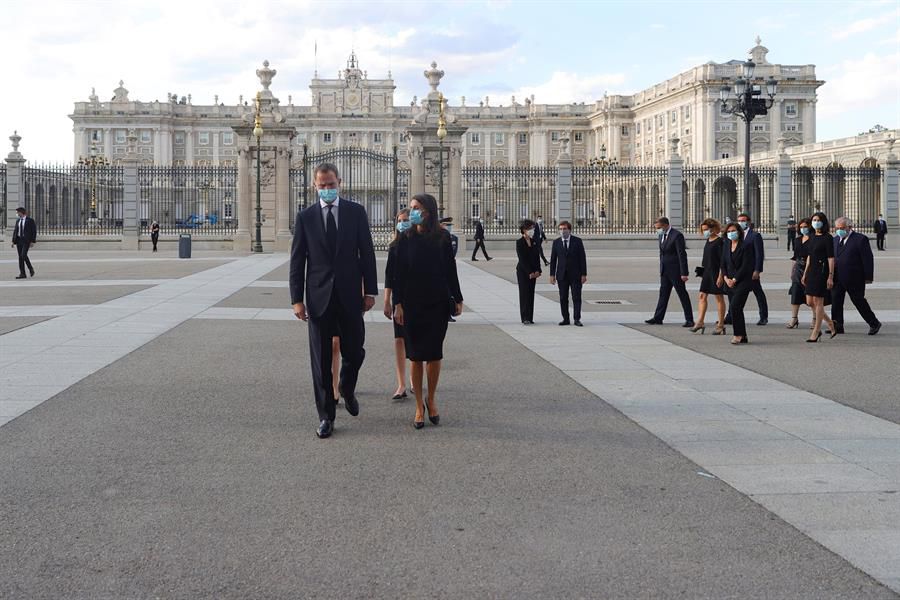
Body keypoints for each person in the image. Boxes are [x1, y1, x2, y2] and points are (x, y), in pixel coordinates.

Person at [290, 163, 378, 439]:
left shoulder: (356, 212)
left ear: (339, 182)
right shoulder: (305, 217)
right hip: (318, 298)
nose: (327, 189)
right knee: (321, 360)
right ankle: (326, 415)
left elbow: (367, 252)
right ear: (314, 186)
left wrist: (370, 291)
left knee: (355, 351)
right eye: (322, 185)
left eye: (331, 184)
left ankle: (347, 387)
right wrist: (296, 300)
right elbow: (297, 261)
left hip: (350, 296)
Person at [392, 194, 463, 429]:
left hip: (437, 302)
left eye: (416, 208)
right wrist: (397, 303)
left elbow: (450, 270)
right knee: (416, 356)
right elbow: (398, 274)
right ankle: (418, 406)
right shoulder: (405, 237)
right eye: (411, 208)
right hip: (412, 303)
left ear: (428, 212)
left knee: (433, 354)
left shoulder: (442, 237)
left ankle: (431, 398)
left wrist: (458, 298)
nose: (412, 212)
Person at [832, 217, 881, 336]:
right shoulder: (835, 239)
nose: (839, 230)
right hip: (837, 277)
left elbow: (867, 259)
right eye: (837, 228)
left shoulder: (860, 239)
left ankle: (874, 323)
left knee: (858, 301)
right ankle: (837, 325)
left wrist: (868, 277)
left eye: (842, 228)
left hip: (854, 277)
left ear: (849, 227)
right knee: (836, 301)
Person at [645, 217, 694, 327]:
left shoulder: (677, 236)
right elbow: (662, 253)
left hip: (676, 271)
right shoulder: (661, 235)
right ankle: (658, 317)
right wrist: (661, 268)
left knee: (682, 294)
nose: (657, 230)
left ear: (665, 225)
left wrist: (684, 272)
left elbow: (682, 255)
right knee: (663, 294)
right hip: (665, 271)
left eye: (659, 228)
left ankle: (689, 319)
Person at [384, 209, 411, 400]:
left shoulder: (421, 243)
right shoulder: (394, 246)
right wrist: (387, 300)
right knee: (399, 339)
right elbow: (388, 275)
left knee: (415, 339)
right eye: (400, 220)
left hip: (417, 297)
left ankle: (414, 378)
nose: (402, 223)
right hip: (399, 299)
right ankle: (401, 383)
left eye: (406, 220)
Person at [800, 212, 836, 343]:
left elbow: (831, 258)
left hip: (822, 272)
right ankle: (830, 323)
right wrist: (805, 273)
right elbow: (809, 256)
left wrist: (830, 276)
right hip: (812, 271)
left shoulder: (828, 238)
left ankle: (816, 331)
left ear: (823, 222)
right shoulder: (812, 236)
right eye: (814, 220)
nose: (816, 222)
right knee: (810, 302)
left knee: (818, 301)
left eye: (818, 220)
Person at [720, 222, 756, 345]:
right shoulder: (726, 245)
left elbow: (746, 266)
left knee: (735, 307)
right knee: (736, 309)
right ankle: (743, 335)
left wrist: (734, 279)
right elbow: (723, 263)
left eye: (733, 231)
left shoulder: (746, 246)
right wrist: (725, 278)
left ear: (739, 232)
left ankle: (738, 334)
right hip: (729, 282)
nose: (731, 233)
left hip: (742, 282)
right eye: (729, 231)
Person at [692, 218, 726, 335]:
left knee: (718, 297)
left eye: (707, 229)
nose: (705, 232)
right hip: (707, 272)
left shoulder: (720, 241)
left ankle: (721, 324)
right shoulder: (708, 241)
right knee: (702, 296)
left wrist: (721, 276)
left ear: (713, 229)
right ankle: (700, 321)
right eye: (703, 230)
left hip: (717, 273)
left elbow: (723, 261)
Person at [549, 221, 587, 327]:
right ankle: (565, 318)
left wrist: (584, 274)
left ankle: (577, 319)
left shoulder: (577, 241)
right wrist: (552, 275)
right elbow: (553, 259)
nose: (563, 231)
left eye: (565, 229)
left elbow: (582, 258)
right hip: (562, 275)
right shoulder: (556, 242)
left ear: (569, 230)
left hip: (575, 274)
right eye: (560, 229)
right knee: (563, 298)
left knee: (576, 297)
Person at [735, 213, 769, 326]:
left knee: (758, 292)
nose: (741, 222)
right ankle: (730, 316)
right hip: (739, 270)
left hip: (751, 270)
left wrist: (757, 270)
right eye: (739, 220)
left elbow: (759, 254)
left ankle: (763, 316)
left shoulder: (755, 235)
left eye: (743, 220)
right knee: (735, 294)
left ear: (748, 222)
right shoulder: (735, 235)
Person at [786, 218, 812, 329]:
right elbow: (795, 257)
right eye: (801, 227)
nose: (803, 229)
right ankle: (794, 318)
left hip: (810, 268)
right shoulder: (797, 240)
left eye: (805, 227)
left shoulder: (813, 239)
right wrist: (792, 271)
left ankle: (815, 319)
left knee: (811, 296)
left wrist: (805, 273)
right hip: (798, 268)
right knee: (795, 293)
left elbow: (811, 257)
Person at [515, 218, 542, 325]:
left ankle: (530, 317)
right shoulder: (519, 242)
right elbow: (522, 259)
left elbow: (536, 257)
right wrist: (529, 272)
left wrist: (538, 270)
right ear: (524, 230)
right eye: (530, 228)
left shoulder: (534, 241)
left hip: (533, 272)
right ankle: (525, 317)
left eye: (533, 228)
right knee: (524, 293)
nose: (532, 230)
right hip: (523, 272)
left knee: (531, 293)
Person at [11, 207, 37, 279]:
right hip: (19, 240)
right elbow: (15, 231)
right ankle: (22, 273)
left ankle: (30, 268)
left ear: (21, 212)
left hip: (26, 241)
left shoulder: (30, 220)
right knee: (20, 257)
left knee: (23, 254)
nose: (17, 214)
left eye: (18, 212)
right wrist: (13, 241)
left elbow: (33, 231)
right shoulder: (18, 221)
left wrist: (32, 241)